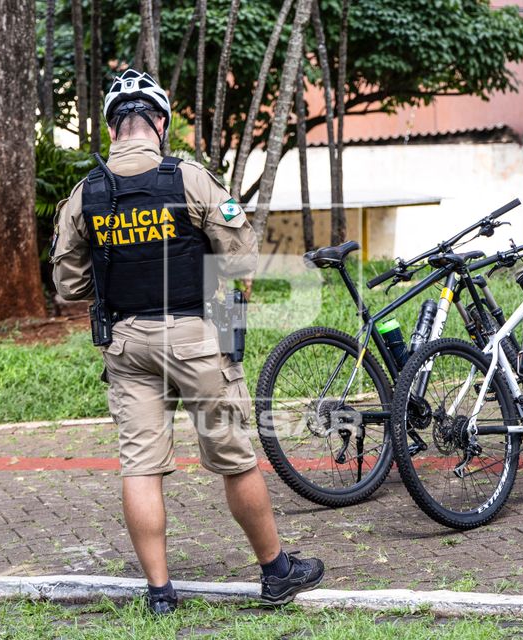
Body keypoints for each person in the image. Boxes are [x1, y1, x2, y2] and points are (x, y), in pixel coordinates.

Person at [51, 69, 324, 615]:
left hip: (125, 344)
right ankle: (275, 572)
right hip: (195, 338)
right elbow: (241, 257)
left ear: (113, 128)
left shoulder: (85, 194)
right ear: (159, 122)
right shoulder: (190, 179)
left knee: (140, 467)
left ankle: (160, 594)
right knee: (234, 457)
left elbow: (68, 286)